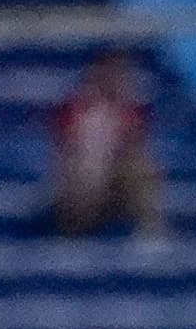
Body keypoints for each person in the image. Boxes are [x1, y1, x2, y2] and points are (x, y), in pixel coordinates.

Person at [48, 51, 165, 241]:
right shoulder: (74, 108)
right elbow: (64, 147)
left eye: (121, 74)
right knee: (77, 170)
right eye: (111, 73)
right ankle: (70, 236)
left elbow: (133, 147)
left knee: (139, 169)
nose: (116, 79)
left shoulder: (132, 110)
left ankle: (152, 236)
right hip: (81, 177)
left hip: (115, 180)